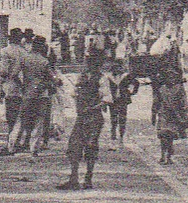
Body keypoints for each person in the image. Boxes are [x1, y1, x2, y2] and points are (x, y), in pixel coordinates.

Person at [58, 51, 108, 190]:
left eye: (93, 63)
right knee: (74, 146)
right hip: (81, 117)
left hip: (94, 117)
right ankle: (73, 178)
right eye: (89, 62)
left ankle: (88, 178)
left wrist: (91, 107)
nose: (90, 65)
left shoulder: (102, 79)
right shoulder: (81, 77)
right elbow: (73, 94)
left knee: (91, 147)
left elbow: (106, 100)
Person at [150, 53, 188, 165]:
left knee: (171, 137)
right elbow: (156, 102)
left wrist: (183, 114)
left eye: (172, 77)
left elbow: (184, 103)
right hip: (163, 114)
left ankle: (168, 157)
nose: (171, 79)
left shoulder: (179, 89)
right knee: (163, 136)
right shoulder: (162, 89)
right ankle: (163, 155)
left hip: (174, 115)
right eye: (168, 77)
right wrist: (153, 114)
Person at [0, 30, 29, 155]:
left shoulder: (5, 51)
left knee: (11, 117)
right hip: (23, 87)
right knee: (20, 116)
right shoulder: (25, 52)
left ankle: (11, 143)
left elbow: (4, 71)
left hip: (10, 85)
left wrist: (0, 71)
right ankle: (18, 142)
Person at [104, 57, 138, 145]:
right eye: (115, 67)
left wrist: (131, 92)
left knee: (122, 118)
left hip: (123, 100)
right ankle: (113, 134)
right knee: (113, 118)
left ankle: (121, 135)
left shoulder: (126, 76)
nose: (116, 69)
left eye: (118, 67)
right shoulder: (108, 77)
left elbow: (136, 83)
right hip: (113, 100)